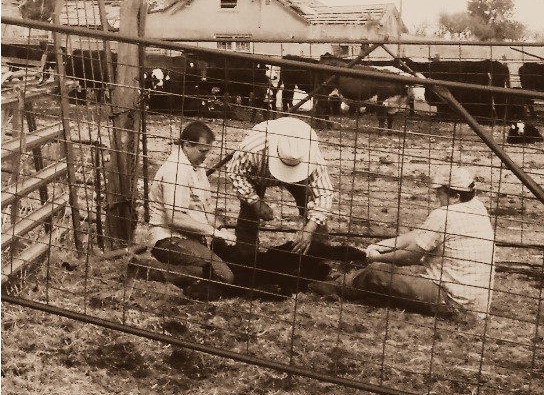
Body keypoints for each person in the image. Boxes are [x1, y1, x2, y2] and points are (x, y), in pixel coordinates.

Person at [310, 166, 496, 319]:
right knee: (388, 275)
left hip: (451, 300)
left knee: (377, 273)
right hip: (475, 302)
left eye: (440, 193)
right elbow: (421, 234)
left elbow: (411, 256)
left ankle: (334, 287)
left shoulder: (445, 214)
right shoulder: (477, 207)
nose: (436, 198)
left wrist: (375, 258)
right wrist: (383, 246)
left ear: (455, 195)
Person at [141, 121, 237, 294]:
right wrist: (213, 232)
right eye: (202, 151)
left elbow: (204, 209)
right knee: (223, 276)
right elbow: (174, 218)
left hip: (192, 238)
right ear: (186, 145)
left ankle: (193, 273)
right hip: (169, 239)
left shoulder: (196, 167)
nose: (206, 156)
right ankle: (148, 269)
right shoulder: (176, 170)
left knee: (232, 265)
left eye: (208, 151)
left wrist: (221, 229)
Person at [226, 116, 334, 259]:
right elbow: (235, 173)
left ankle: (319, 255)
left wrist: (310, 228)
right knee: (249, 214)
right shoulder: (253, 148)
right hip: (257, 175)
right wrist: (254, 201)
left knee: (313, 215)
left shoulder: (310, 154)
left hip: (301, 178)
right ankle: (245, 257)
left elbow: (324, 193)